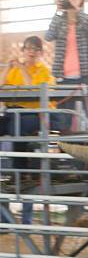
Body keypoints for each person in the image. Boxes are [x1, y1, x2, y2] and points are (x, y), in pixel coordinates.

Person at [0, 35, 57, 225]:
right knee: (14, 125)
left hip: (35, 115)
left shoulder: (44, 72)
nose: (31, 52)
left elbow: (32, 92)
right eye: (28, 48)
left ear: (41, 53)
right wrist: (8, 68)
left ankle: (20, 174)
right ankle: (20, 174)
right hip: (12, 113)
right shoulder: (14, 69)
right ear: (23, 51)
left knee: (18, 128)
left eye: (35, 49)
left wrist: (23, 69)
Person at [45, 0, 88, 133]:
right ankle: (65, 153)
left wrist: (76, 11)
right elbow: (48, 36)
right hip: (63, 77)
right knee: (64, 118)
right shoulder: (60, 21)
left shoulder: (87, 18)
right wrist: (57, 12)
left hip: (85, 76)